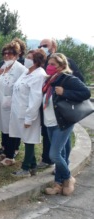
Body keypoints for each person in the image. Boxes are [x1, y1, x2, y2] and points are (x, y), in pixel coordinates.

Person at [42, 53, 90, 196]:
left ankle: (68, 178)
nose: (49, 67)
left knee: (54, 155)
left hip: (62, 122)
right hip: (49, 121)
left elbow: (86, 93)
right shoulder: (49, 80)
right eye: (48, 64)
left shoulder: (68, 79)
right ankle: (58, 183)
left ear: (62, 66)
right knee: (61, 153)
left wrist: (65, 92)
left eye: (53, 65)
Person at [37, 38, 85, 170]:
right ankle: (60, 176)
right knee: (59, 147)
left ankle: (65, 173)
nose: (42, 47)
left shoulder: (66, 63)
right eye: (40, 45)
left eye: (45, 45)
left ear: (54, 46)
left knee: (59, 149)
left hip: (62, 115)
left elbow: (81, 85)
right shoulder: (47, 71)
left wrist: (65, 92)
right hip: (50, 116)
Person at [9, 49, 46, 176]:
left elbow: (35, 99)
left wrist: (29, 118)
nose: (27, 59)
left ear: (37, 61)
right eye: (27, 56)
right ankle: (33, 165)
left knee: (29, 140)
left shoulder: (39, 75)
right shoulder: (26, 72)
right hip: (18, 111)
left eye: (30, 57)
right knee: (26, 139)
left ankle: (25, 169)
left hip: (28, 113)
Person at [0, 42, 27, 166]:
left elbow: (22, 88)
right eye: (5, 53)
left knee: (12, 130)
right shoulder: (3, 67)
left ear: (17, 54)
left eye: (11, 53)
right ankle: (5, 151)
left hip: (13, 105)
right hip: (3, 105)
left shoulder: (20, 69)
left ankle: (10, 156)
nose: (7, 56)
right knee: (5, 129)